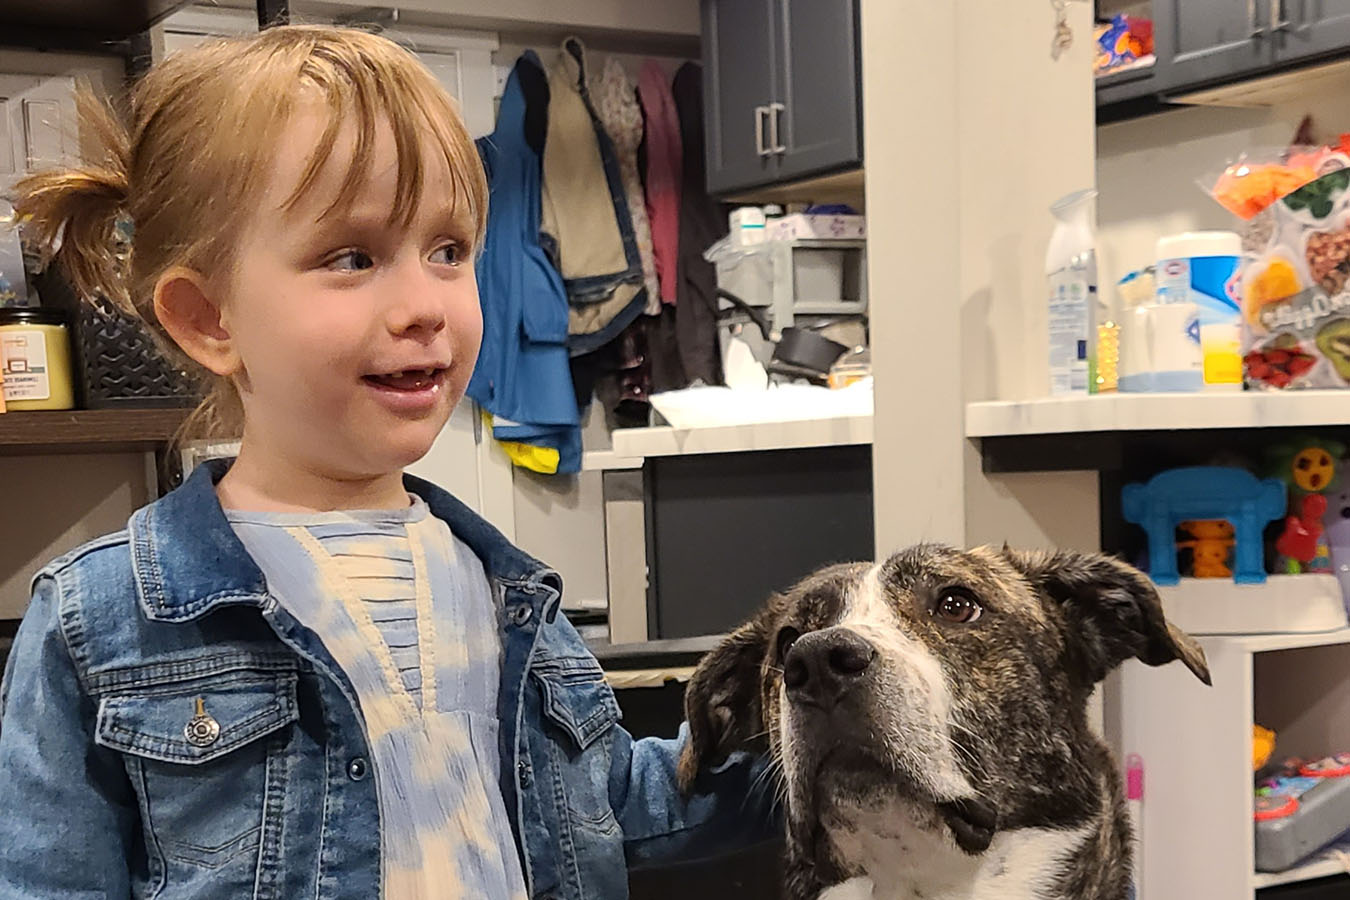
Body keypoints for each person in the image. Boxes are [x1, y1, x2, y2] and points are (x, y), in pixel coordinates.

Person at [0, 26, 773, 900]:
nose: (423, 304)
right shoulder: (96, 623)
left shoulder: (502, 590)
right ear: (208, 319)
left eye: (448, 251)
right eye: (353, 257)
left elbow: (616, 803)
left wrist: (842, 755)